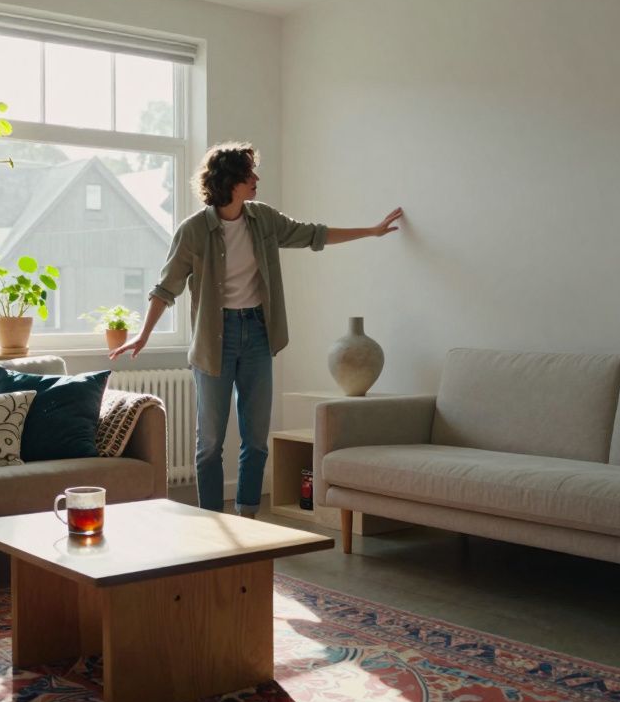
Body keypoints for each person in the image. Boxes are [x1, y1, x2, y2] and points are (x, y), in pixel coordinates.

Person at [109, 142, 403, 517]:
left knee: (256, 439)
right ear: (229, 181)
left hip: (258, 335)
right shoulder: (194, 231)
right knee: (210, 443)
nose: (256, 179)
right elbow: (166, 288)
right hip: (214, 341)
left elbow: (314, 234)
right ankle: (210, 520)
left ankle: (248, 518)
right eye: (250, 174)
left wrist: (371, 231)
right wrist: (143, 334)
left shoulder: (262, 219)